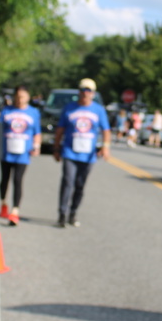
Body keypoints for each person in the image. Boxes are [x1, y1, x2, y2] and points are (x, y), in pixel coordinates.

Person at [53, 78, 111, 228]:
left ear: (93, 93)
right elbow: (60, 130)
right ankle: (62, 213)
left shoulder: (98, 110)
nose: (85, 93)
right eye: (83, 90)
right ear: (79, 92)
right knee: (67, 181)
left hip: (88, 154)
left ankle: (73, 213)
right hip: (70, 152)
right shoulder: (69, 108)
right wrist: (56, 148)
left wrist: (105, 147)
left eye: (88, 90)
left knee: (80, 185)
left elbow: (106, 130)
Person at [0, 85, 41, 227]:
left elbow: (37, 132)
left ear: (28, 97)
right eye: (17, 97)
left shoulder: (33, 112)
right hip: (6, 151)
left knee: (18, 180)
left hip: (23, 153)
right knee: (4, 180)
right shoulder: (6, 111)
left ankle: (15, 211)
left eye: (22, 97)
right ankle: (3, 203)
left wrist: (36, 146)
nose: (19, 99)